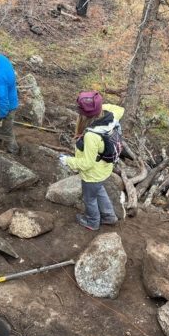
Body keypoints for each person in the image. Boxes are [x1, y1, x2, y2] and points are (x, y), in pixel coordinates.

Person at [59, 91, 124, 231]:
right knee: (99, 190)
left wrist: (67, 161)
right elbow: (120, 109)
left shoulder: (91, 136)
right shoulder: (112, 116)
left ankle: (92, 221)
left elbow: (87, 164)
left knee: (90, 199)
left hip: (92, 174)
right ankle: (109, 217)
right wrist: (98, 106)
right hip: (104, 168)